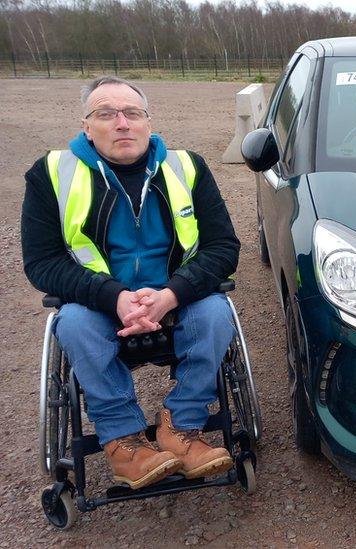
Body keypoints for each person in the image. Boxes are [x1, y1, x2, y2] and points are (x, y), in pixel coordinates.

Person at [21, 76, 241, 489]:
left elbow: (223, 247)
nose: (121, 123)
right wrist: (116, 296)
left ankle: (181, 429)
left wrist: (171, 294)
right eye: (106, 113)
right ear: (87, 125)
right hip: (100, 302)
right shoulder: (51, 173)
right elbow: (42, 262)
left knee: (216, 313)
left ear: (148, 122)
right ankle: (124, 441)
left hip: (177, 296)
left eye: (132, 113)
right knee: (72, 323)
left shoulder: (187, 166)